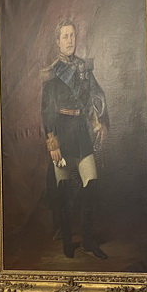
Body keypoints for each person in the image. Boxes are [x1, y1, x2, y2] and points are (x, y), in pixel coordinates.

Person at [41, 19, 109, 259]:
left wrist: (99, 122)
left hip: (80, 130)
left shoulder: (83, 68)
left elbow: (94, 95)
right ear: (58, 41)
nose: (70, 40)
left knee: (91, 183)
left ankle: (88, 241)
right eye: (65, 36)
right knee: (62, 190)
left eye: (72, 35)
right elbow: (46, 110)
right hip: (60, 131)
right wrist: (52, 143)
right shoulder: (51, 74)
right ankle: (67, 241)